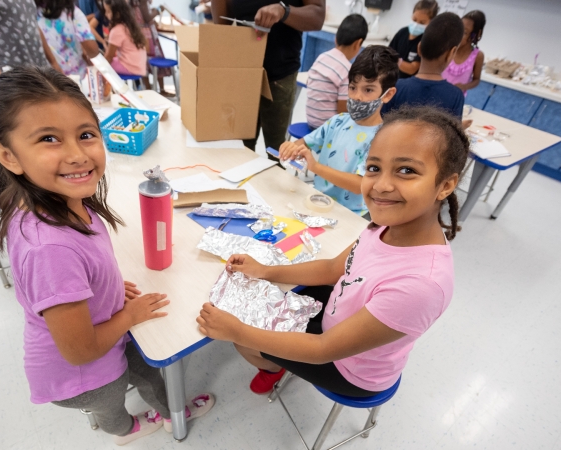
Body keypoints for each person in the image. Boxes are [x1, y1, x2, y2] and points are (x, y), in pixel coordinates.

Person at [0, 67, 215, 445]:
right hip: (83, 374)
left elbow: (80, 271)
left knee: (148, 372)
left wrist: (103, 289)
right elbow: (79, 351)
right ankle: (126, 430)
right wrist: (129, 315)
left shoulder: (60, 200)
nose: (77, 154)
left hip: (106, 331)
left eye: (86, 134)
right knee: (111, 405)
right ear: (8, 155)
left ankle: (174, 409)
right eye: (49, 139)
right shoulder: (50, 249)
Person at [196, 105, 467, 397]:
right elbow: (333, 269)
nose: (381, 186)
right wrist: (265, 270)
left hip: (350, 371)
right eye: (374, 168)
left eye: (406, 170)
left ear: (446, 185)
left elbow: (323, 350)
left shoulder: (421, 285)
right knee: (256, 303)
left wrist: (238, 332)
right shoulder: (385, 225)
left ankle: (271, 369)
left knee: (243, 341)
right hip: (338, 318)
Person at [280, 46, 398, 217]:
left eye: (368, 90)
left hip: (352, 214)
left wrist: (316, 167)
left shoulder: (382, 138)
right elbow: (304, 142)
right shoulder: (338, 121)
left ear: (387, 95)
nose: (357, 96)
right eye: (353, 87)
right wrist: (291, 147)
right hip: (319, 201)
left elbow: (360, 184)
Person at [212, 0, 325, 154]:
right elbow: (222, 24)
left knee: (277, 151)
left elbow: (317, 17)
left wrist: (284, 11)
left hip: (280, 73)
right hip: (243, 72)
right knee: (240, 150)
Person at [381, 12, 465, 119]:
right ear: (451, 53)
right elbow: (453, 133)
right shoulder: (455, 96)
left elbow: (381, 126)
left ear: (419, 48)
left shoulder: (396, 88)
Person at [305, 13, 367, 130]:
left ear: (336, 39)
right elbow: (342, 112)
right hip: (328, 129)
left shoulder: (322, 57)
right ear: (358, 44)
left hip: (311, 121)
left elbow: (309, 83)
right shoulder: (347, 69)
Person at [35, 0, 100, 78]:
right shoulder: (73, 12)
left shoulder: (31, 14)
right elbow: (92, 51)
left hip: (50, 79)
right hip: (78, 77)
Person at [128, 0, 174, 96]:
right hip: (147, 34)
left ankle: (148, 89)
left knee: (143, 61)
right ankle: (161, 89)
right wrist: (158, 10)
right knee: (156, 59)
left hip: (138, 33)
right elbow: (147, 17)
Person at [388, 0, 438, 79]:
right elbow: (388, 53)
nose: (416, 24)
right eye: (414, 20)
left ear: (431, 23)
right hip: (392, 78)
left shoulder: (426, 40)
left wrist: (394, 60)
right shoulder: (402, 32)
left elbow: (412, 69)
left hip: (410, 83)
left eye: (422, 22)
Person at [442, 10, 486, 95]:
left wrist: (463, 87)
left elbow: (476, 80)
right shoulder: (448, 48)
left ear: (476, 35)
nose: (458, 35)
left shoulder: (478, 56)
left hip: (455, 98)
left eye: (464, 32)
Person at [103, 0, 147, 76]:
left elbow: (109, 56)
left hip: (130, 67)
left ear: (117, 14)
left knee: (101, 65)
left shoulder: (117, 30)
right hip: (139, 66)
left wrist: (100, 67)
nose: (106, 14)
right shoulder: (129, 25)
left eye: (108, 11)